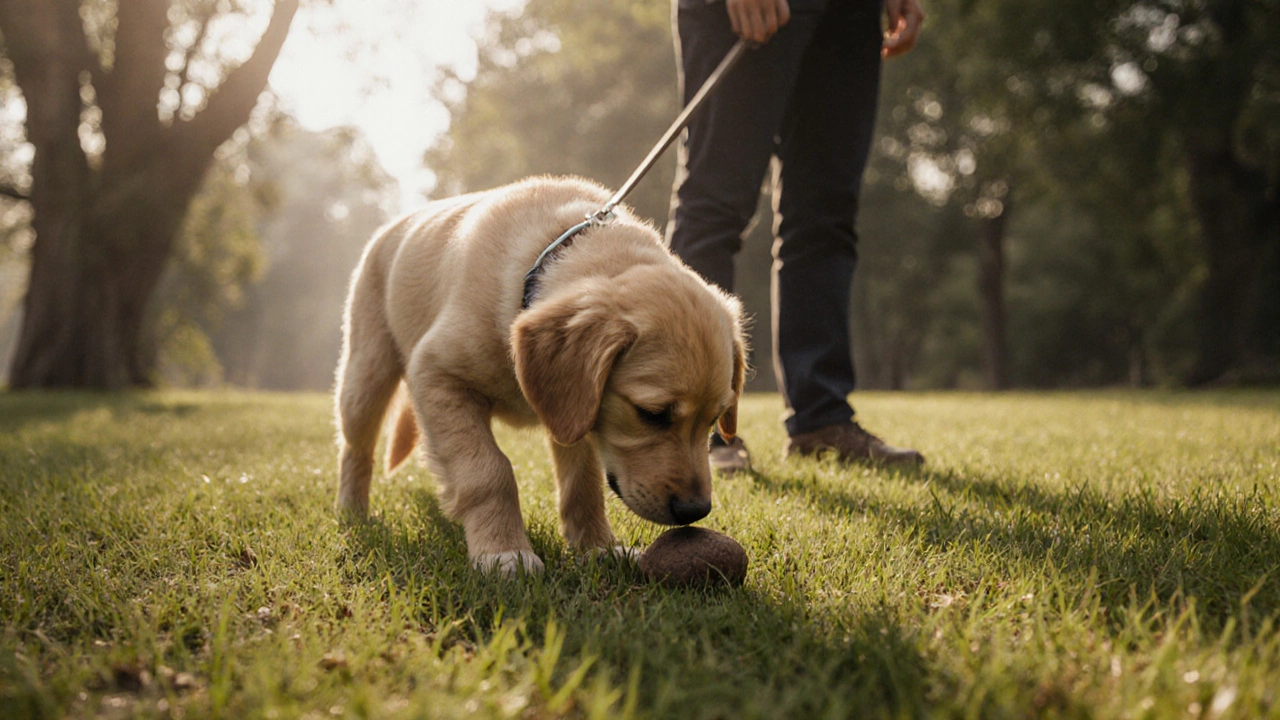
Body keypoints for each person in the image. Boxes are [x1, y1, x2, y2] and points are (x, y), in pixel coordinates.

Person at [666, 0, 926, 472]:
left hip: (848, 15)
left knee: (826, 216)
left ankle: (821, 421)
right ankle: (691, 423)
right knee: (714, 204)